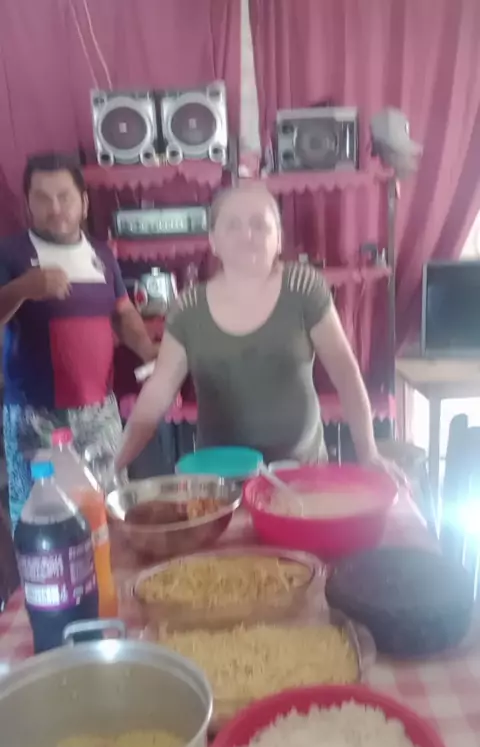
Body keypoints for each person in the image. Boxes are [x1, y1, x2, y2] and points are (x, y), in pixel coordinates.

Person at [116, 184, 388, 472]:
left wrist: (369, 454)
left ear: (279, 239)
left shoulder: (304, 287)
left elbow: (345, 373)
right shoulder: (189, 308)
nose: (247, 236)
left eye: (259, 225)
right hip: (221, 481)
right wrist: (113, 467)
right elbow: (157, 394)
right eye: (233, 225)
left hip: (302, 473)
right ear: (213, 241)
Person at [0, 152, 158, 528]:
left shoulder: (101, 253)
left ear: (84, 202)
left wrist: (149, 352)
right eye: (42, 198)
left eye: (64, 196)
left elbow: (123, 314)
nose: (55, 208)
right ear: (28, 204)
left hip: (99, 413)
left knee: (111, 512)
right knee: (43, 522)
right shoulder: (9, 253)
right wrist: (22, 289)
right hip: (34, 416)